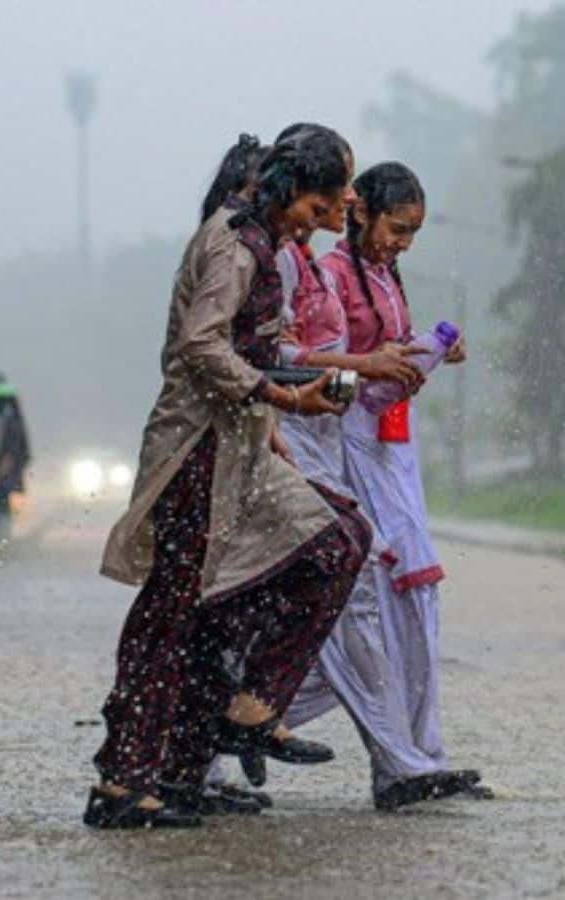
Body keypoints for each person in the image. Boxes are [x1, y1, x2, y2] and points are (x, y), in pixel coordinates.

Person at [86, 130, 371, 830]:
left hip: (242, 446)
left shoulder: (267, 244)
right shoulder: (234, 244)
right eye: (319, 202)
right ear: (285, 189)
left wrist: (275, 417)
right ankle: (123, 781)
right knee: (173, 612)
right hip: (196, 453)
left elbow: (253, 346)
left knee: (335, 541)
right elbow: (200, 345)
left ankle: (231, 724)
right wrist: (282, 400)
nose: (326, 216)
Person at [300, 161, 484, 810]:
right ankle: (398, 760)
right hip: (344, 451)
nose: (402, 242)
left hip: (389, 451)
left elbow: (382, 361)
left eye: (412, 234)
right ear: (358, 213)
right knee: (364, 611)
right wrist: (380, 367)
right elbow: (325, 369)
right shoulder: (326, 275)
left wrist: (424, 351)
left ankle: (417, 755)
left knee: (413, 602)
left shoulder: (378, 275)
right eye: (397, 228)